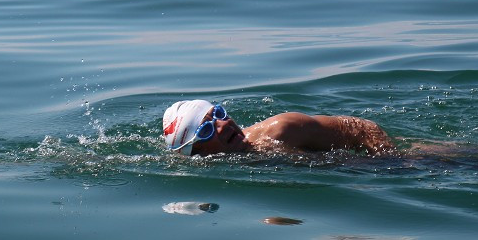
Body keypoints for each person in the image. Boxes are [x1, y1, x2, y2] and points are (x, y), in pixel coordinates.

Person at [162, 99, 395, 157]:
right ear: (196, 152)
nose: (224, 125)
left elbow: (361, 128)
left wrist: (392, 162)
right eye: (206, 130)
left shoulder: (282, 130)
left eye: (219, 114)